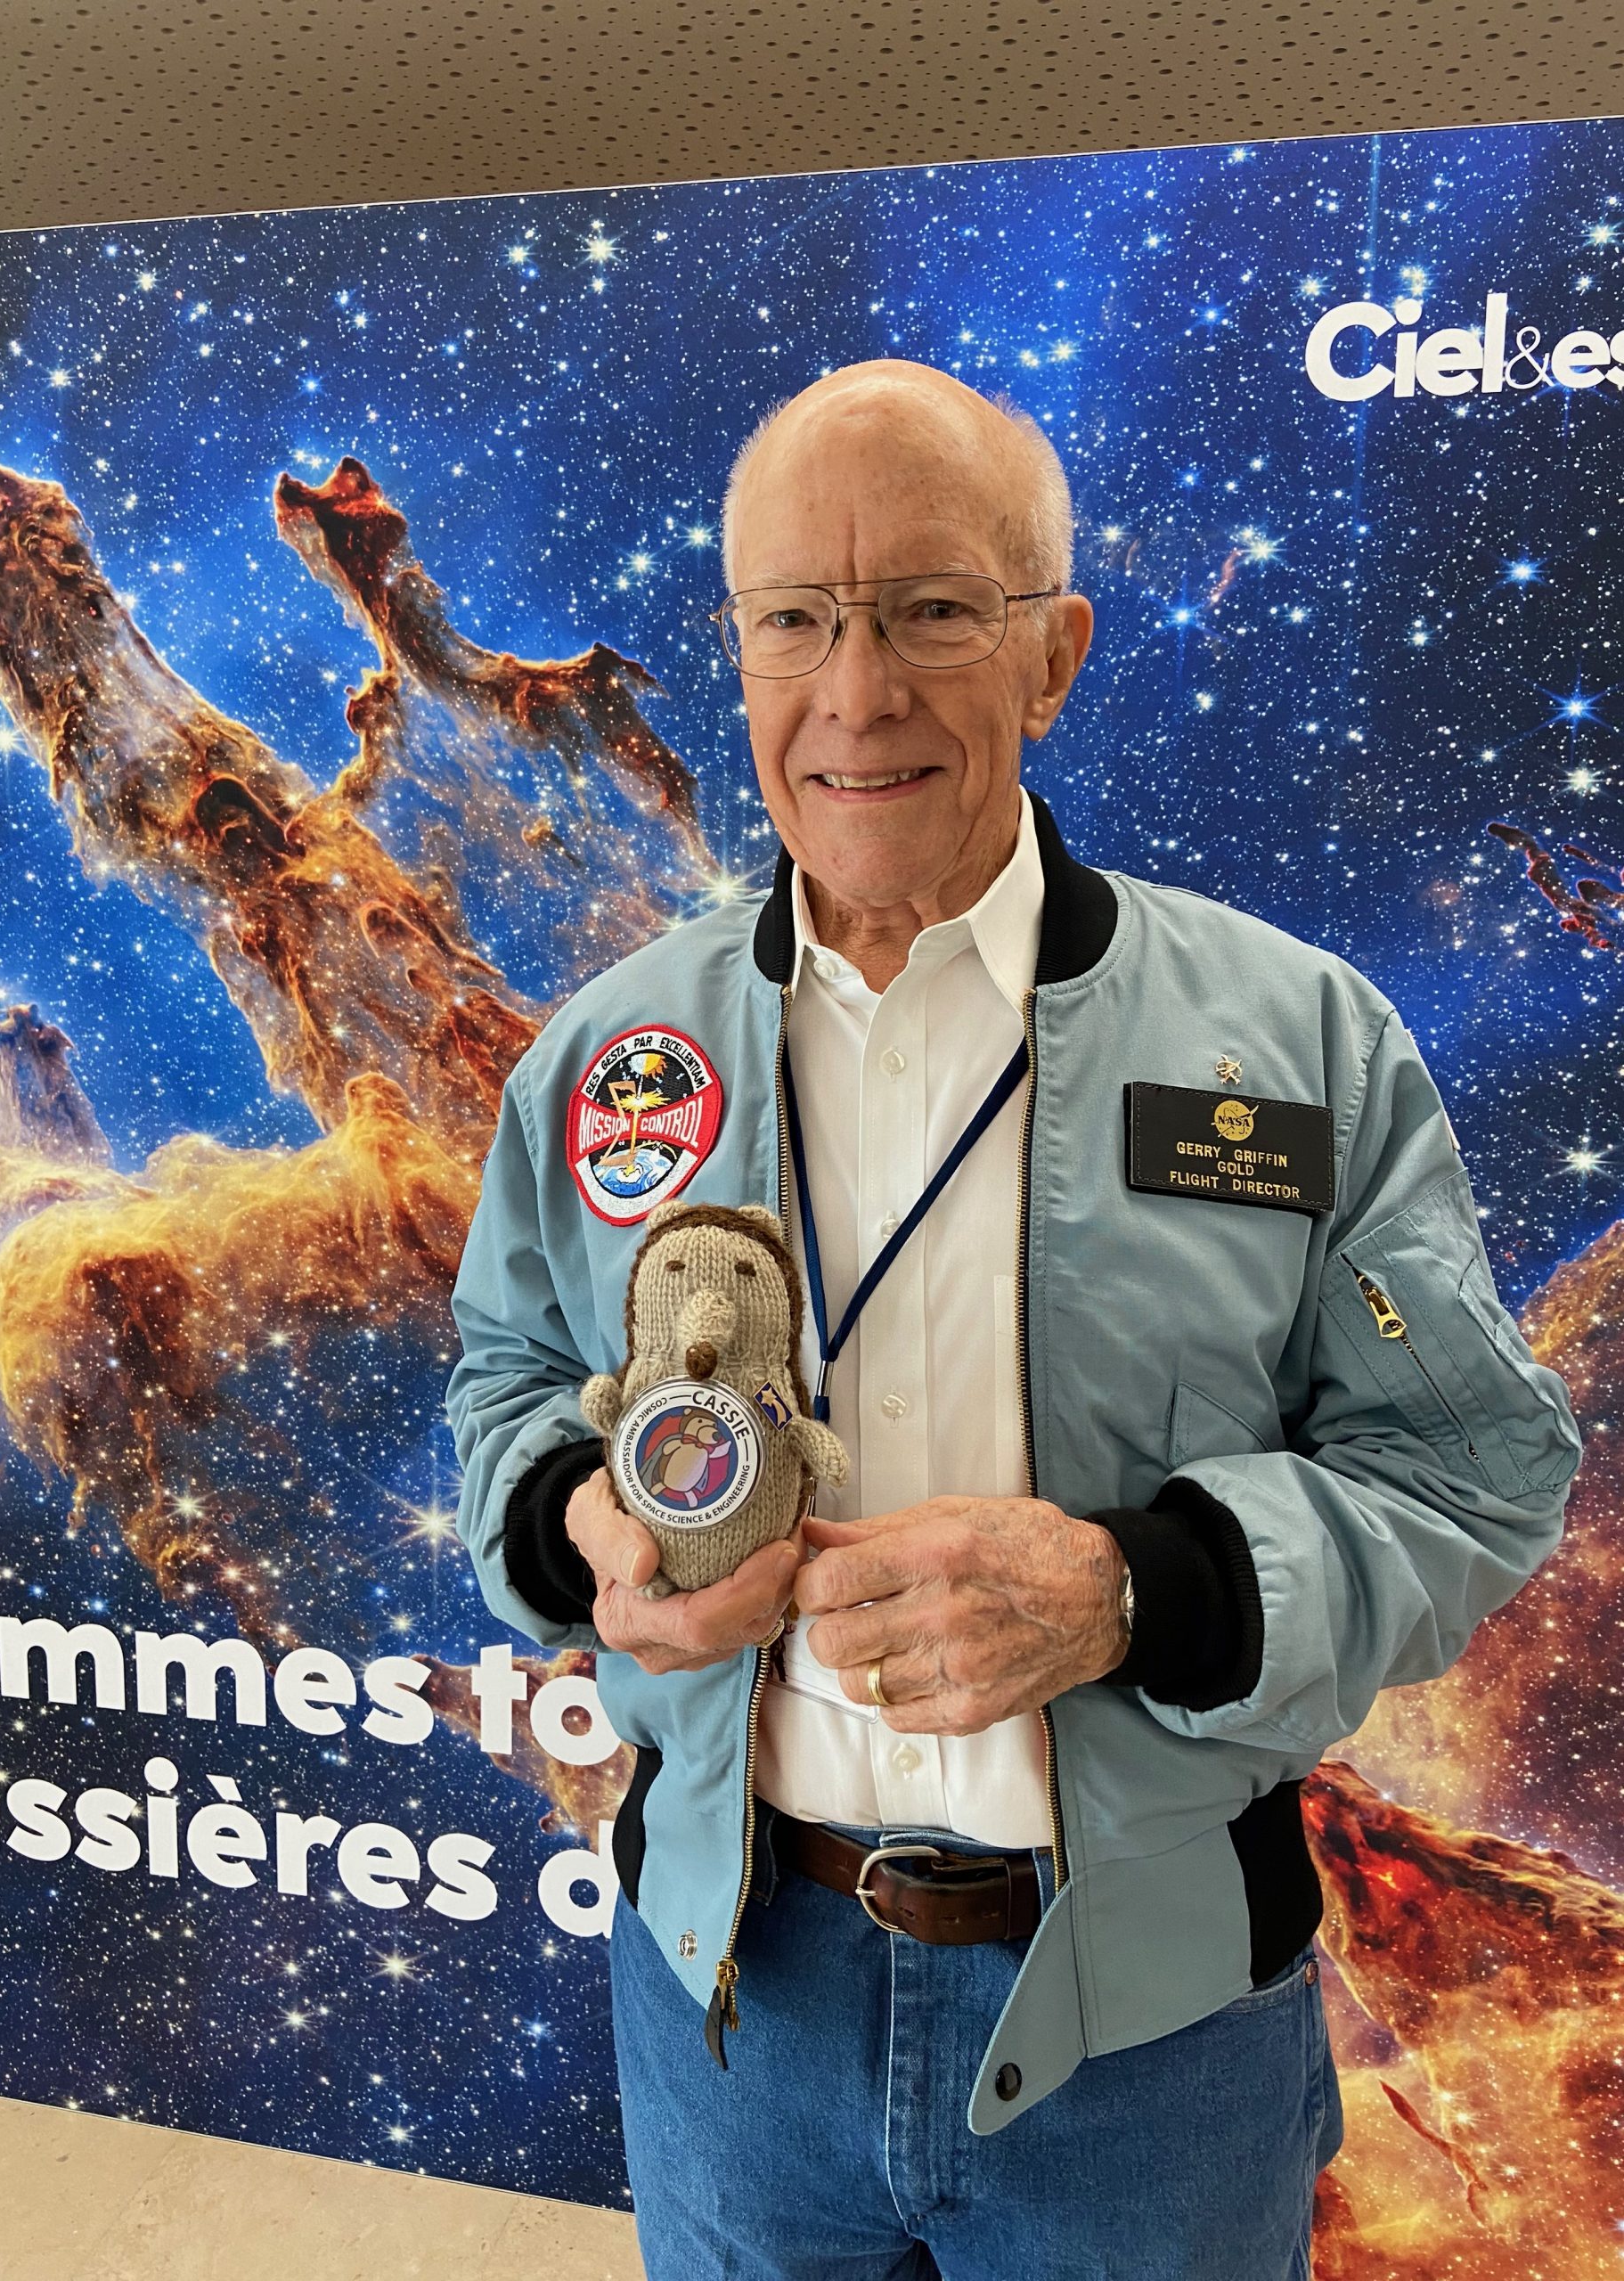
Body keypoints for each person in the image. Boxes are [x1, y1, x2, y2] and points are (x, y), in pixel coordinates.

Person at [444, 357, 1582, 2279]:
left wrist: (1136, 1588)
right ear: (739, 654)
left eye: (931, 611)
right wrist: (575, 1522)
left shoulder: (1293, 1042)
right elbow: (508, 1372)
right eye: (795, 620)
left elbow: (1472, 1473)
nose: (855, 690)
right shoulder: (608, 1052)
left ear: (1053, 655)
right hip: (736, 2013)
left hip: (1149, 2046)